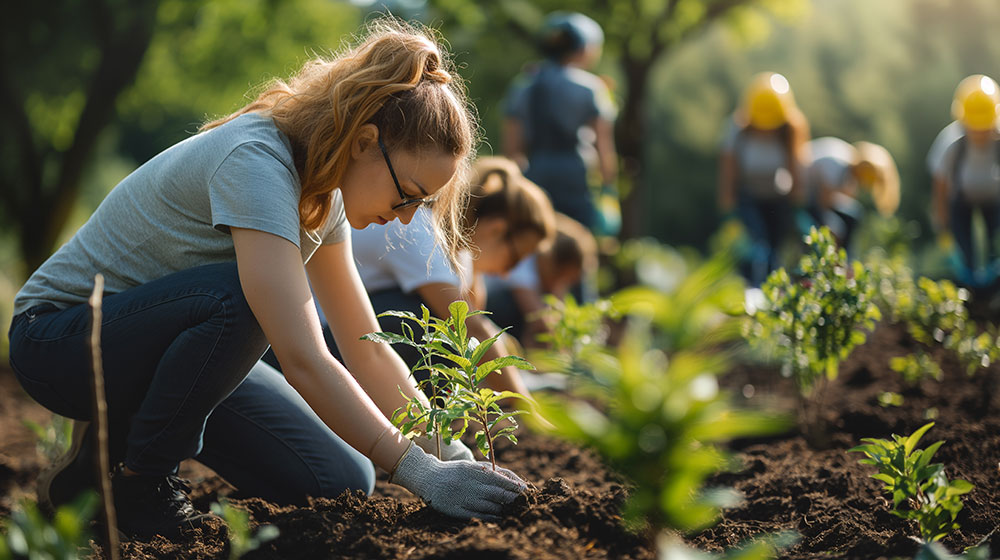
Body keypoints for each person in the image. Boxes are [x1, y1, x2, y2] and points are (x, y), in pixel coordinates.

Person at [7, 20, 528, 540]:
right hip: (61, 341)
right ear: (366, 141)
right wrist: (420, 474)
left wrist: (448, 453)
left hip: (167, 346)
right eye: (409, 194)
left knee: (341, 478)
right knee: (244, 298)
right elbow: (303, 355)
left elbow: (366, 347)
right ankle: (142, 484)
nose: (409, 217)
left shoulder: (325, 197)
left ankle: (93, 465)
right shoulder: (256, 160)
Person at [326, 156, 556, 398]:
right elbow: (471, 327)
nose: (509, 272)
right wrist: (526, 408)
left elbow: (476, 311)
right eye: (515, 258)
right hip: (327, 339)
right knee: (435, 324)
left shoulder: (457, 250)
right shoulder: (418, 230)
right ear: (495, 229)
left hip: (347, 340)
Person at [501, 11, 619, 237]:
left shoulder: (524, 85)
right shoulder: (591, 88)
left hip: (536, 173)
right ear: (584, 48)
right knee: (577, 243)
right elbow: (604, 146)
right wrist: (608, 190)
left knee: (537, 239)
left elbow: (511, 146)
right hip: (576, 177)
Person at [718, 71, 811, 286]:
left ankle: (773, 296)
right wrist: (729, 214)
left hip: (778, 198)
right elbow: (728, 176)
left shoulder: (791, 130)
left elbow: (795, 173)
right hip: (748, 198)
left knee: (775, 251)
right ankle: (751, 292)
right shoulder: (736, 131)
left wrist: (798, 209)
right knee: (755, 249)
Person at [485, 213, 598, 348]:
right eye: (562, 278)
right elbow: (540, 318)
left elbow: (557, 308)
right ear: (554, 265)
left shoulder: (543, 268)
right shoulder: (524, 261)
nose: (561, 284)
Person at [930, 74, 1000, 287]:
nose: (980, 132)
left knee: (995, 253)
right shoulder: (950, 143)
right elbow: (940, 192)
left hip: (995, 203)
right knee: (966, 259)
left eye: (984, 127)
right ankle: (970, 298)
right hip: (961, 204)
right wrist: (944, 232)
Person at [804, 137, 900, 251]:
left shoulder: (849, 169)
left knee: (854, 214)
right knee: (838, 228)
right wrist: (833, 227)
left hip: (816, 197)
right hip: (803, 196)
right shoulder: (836, 164)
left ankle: (845, 260)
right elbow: (823, 202)